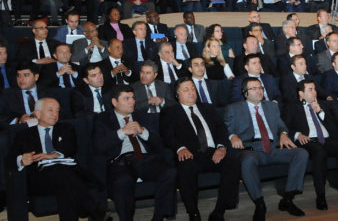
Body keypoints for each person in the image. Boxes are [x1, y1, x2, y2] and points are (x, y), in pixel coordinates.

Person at [224, 77, 309, 220]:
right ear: (245, 93)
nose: (259, 91)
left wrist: (283, 134)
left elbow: (282, 126)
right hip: (252, 149)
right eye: (254, 88)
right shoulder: (234, 108)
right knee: (247, 161)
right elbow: (225, 130)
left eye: (260, 87)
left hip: (274, 147)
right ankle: (260, 204)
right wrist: (233, 136)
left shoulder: (271, 106)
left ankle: (287, 199)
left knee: (301, 153)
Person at [12, 98, 108, 221]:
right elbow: (10, 160)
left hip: (67, 175)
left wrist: (53, 155)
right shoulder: (24, 135)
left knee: (64, 182)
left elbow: (70, 148)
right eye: (50, 110)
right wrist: (21, 160)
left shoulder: (67, 128)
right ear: (37, 114)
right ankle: (93, 210)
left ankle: (94, 211)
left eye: (57, 110)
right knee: (63, 174)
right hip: (41, 178)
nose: (55, 114)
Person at [160, 78, 241, 221]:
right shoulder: (170, 112)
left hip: (212, 152)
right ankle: (193, 213)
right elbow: (168, 135)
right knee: (186, 167)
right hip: (190, 153)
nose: (191, 92)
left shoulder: (207, 108)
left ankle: (219, 211)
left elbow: (221, 129)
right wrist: (180, 148)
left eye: (192, 88)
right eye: (186, 89)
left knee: (233, 162)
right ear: (177, 94)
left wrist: (221, 147)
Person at [93, 86, 177, 221]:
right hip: (120, 162)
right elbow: (99, 146)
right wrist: (121, 132)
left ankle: (159, 216)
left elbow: (159, 143)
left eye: (132, 98)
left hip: (144, 159)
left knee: (169, 172)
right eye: (126, 98)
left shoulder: (142, 116)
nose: (132, 101)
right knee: (122, 181)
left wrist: (143, 131)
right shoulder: (102, 119)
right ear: (114, 102)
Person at [283, 79, 338, 210]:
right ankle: (321, 196)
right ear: (301, 93)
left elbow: (334, 128)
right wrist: (297, 135)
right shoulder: (292, 106)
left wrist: (320, 112)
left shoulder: (323, 105)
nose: (314, 92)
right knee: (320, 153)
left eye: (315, 89)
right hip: (308, 140)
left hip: (326, 139)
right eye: (310, 89)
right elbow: (284, 127)